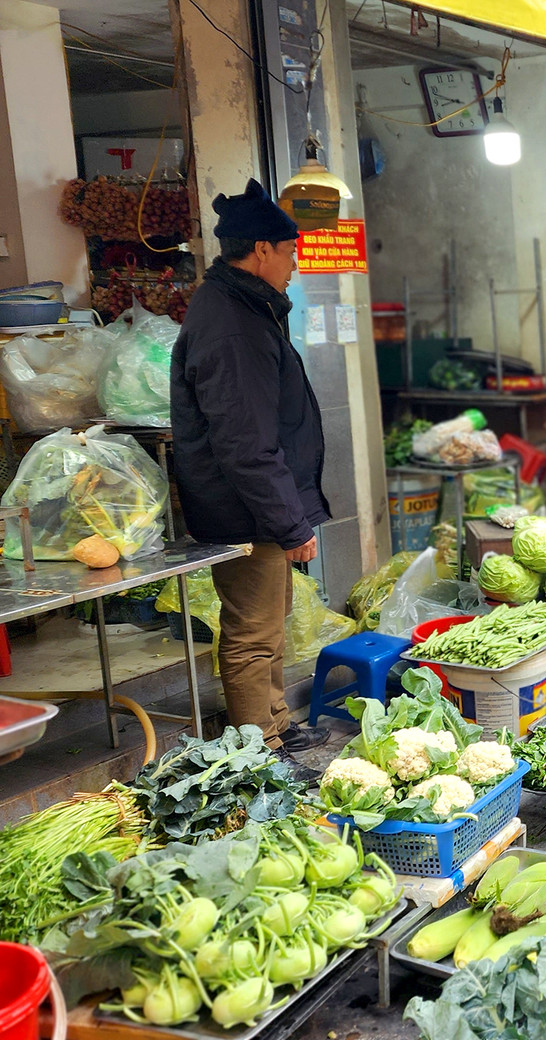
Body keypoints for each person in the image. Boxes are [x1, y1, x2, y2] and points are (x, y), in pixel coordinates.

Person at [170, 178, 329, 760]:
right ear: (261, 249)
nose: (293, 265)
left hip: (252, 504)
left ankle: (276, 721)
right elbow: (244, 442)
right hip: (242, 507)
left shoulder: (241, 306)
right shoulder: (233, 324)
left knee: (270, 622)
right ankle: (256, 745)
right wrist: (291, 524)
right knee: (251, 632)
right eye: (290, 253)